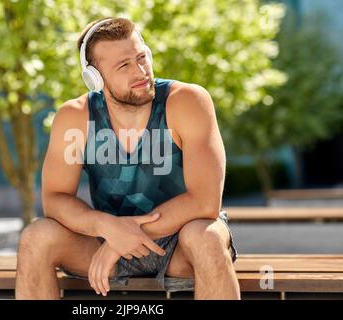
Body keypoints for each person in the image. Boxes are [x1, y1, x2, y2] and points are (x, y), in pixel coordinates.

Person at [15, 17, 240, 300]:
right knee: (36, 236)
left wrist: (122, 241)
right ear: (95, 79)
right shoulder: (75, 118)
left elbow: (205, 202)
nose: (140, 71)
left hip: (179, 245)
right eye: (124, 65)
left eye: (142, 57)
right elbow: (55, 199)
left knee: (206, 235)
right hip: (106, 239)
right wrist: (107, 228)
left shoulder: (187, 102)